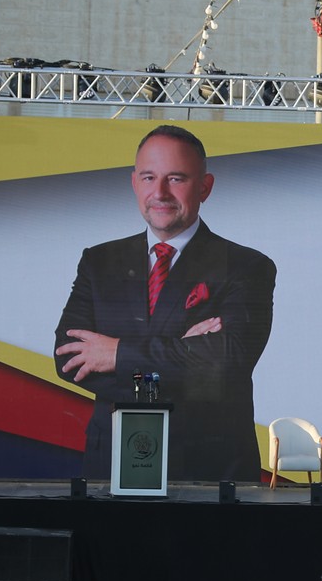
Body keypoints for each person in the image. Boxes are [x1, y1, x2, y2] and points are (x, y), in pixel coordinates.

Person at [54, 124, 277, 482]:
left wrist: (117, 354)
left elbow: (227, 361)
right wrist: (184, 355)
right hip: (111, 462)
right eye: (148, 177)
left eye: (175, 178)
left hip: (209, 469)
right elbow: (69, 359)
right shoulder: (98, 262)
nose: (159, 192)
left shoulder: (246, 266)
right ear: (134, 183)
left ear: (205, 187)